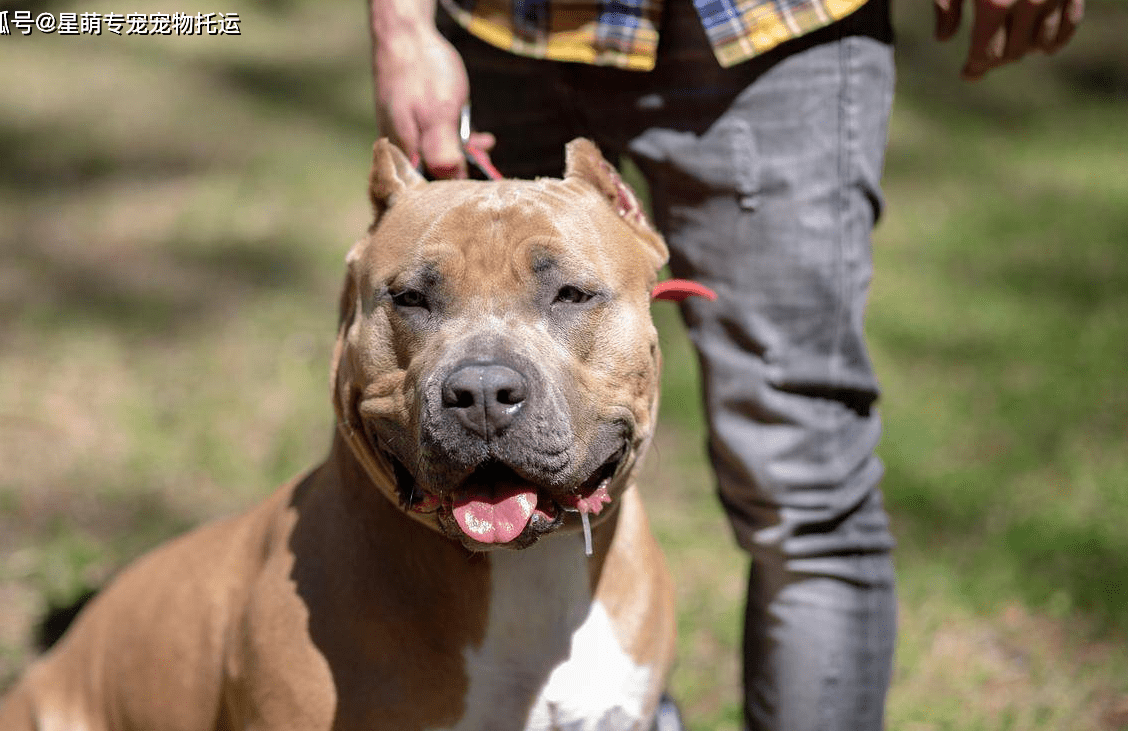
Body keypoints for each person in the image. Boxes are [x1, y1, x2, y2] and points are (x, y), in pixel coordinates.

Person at [367, 0, 1082, 728]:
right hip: (506, 24)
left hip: (769, 26)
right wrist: (402, 25)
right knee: (458, 449)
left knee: (802, 485)